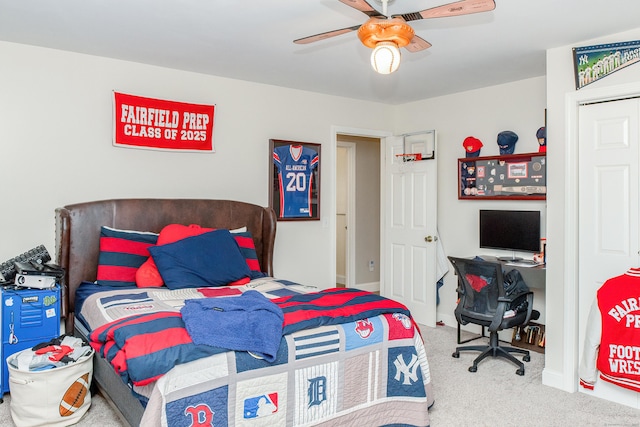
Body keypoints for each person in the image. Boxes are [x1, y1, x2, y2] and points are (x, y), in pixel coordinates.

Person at [579, 267, 640, 392]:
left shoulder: (609, 287)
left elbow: (592, 336)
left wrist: (587, 376)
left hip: (614, 365)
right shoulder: (608, 288)